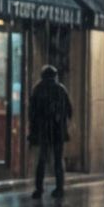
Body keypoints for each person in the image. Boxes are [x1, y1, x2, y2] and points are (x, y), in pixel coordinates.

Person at [27, 65, 72, 198]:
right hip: (58, 130)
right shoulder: (61, 89)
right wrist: (62, 122)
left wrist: (34, 129)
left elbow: (32, 113)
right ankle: (59, 188)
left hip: (43, 130)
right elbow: (69, 111)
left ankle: (39, 189)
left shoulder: (38, 89)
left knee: (41, 159)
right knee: (58, 160)